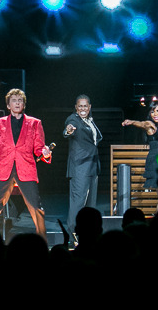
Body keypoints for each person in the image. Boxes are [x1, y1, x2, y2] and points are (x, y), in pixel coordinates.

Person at [0, 88, 52, 236]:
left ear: (24, 104)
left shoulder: (35, 123)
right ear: (8, 105)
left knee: (36, 209)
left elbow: (39, 148)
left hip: (26, 168)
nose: (17, 103)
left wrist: (44, 153)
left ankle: (42, 243)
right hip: (4, 169)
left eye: (20, 100)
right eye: (14, 100)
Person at [122, 99, 158, 232]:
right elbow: (143, 124)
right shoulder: (151, 125)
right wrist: (131, 122)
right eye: (152, 111)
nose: (155, 114)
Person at [63, 94, 102, 235]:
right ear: (76, 107)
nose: (83, 108)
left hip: (92, 166)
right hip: (80, 167)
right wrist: (68, 130)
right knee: (78, 202)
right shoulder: (73, 119)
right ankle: (73, 234)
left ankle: (89, 233)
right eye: (80, 106)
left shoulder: (90, 121)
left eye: (85, 106)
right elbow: (68, 128)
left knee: (90, 205)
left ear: (90, 107)